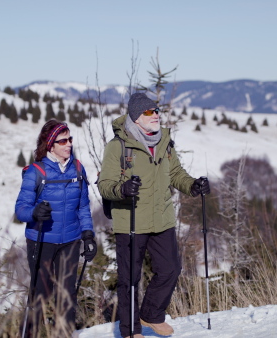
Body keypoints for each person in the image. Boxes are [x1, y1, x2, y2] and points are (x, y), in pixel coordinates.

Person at [97, 93, 210, 338]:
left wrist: (192, 185)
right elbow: (105, 184)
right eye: (149, 112)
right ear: (136, 117)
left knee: (170, 269)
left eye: (156, 110)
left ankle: (151, 315)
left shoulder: (164, 142)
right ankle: (130, 331)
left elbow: (176, 173)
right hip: (131, 221)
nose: (155, 115)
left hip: (162, 218)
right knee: (130, 280)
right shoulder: (118, 146)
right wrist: (122, 189)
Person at [15, 119, 97, 337]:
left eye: (70, 139)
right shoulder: (36, 172)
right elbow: (20, 208)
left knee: (67, 295)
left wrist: (88, 235)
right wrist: (34, 213)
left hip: (70, 240)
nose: (69, 144)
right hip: (41, 240)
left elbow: (83, 207)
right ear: (50, 145)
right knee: (40, 293)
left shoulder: (78, 169)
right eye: (63, 141)